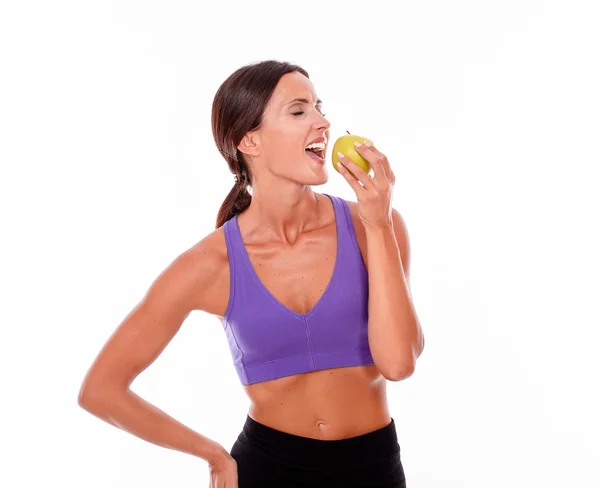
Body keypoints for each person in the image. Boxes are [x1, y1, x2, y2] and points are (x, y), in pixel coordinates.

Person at [78, 59, 424, 487]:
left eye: (319, 106)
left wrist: (379, 223)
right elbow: (101, 389)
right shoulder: (209, 264)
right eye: (299, 111)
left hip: (373, 469)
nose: (323, 121)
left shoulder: (374, 225)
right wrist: (213, 455)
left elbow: (397, 362)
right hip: (265, 470)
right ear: (249, 140)